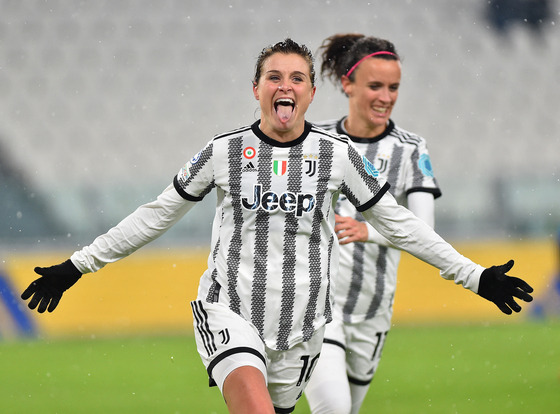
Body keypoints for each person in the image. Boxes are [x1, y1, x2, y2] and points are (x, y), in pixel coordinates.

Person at [20, 39, 533, 414]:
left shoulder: (336, 156)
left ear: (311, 94)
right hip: (231, 313)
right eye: (274, 77)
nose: (285, 86)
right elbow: (156, 214)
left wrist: (475, 276)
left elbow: (400, 223)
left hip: (303, 331)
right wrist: (78, 265)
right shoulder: (223, 152)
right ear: (257, 89)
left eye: (296, 79)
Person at [303, 33, 442, 414]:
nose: (386, 96)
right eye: (375, 86)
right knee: (332, 409)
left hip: (373, 313)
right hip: (318, 307)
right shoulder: (315, 141)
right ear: (347, 84)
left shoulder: (411, 149)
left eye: (393, 87)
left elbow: (423, 230)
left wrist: (371, 230)